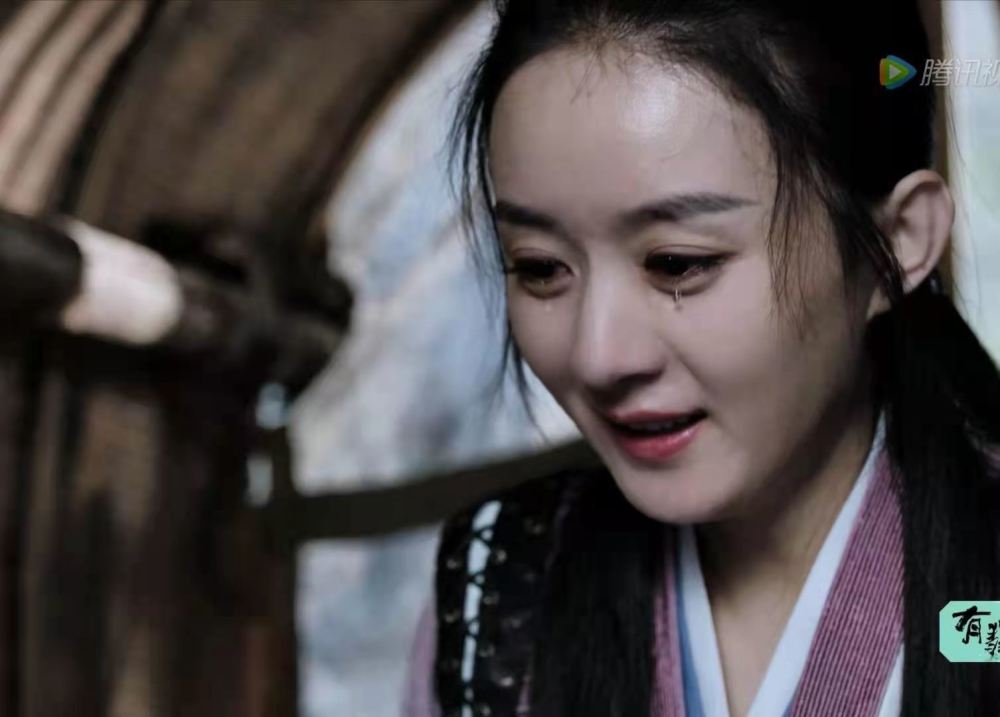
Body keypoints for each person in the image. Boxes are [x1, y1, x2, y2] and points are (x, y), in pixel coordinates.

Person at [402, 1, 1000, 715]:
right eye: (539, 267)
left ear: (896, 243)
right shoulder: (499, 588)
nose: (599, 355)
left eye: (677, 263)